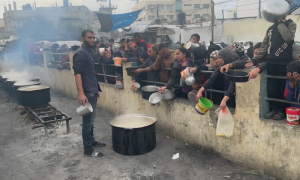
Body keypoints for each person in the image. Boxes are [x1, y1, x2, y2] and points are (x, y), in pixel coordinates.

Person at [245, 18, 296, 120]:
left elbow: (288, 36)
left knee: (282, 88)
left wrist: (281, 23)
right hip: (271, 62)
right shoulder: (271, 28)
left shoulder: (290, 24)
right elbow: (264, 46)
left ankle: (281, 111)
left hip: (284, 63)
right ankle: (274, 109)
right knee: (272, 89)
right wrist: (255, 60)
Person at [72, 30, 105, 157]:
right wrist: (81, 93)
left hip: (92, 91)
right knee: (87, 121)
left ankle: (92, 141)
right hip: (87, 93)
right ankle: (88, 149)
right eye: (89, 37)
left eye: (93, 37)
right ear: (82, 39)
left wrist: (96, 89)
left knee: (91, 120)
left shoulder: (88, 52)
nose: (92, 39)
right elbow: (78, 74)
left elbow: (91, 73)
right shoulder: (80, 53)